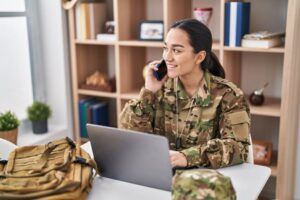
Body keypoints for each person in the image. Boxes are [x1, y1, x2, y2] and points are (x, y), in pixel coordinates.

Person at [120, 19, 250, 169]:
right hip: (158, 173)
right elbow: (130, 138)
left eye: (176, 50)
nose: (167, 57)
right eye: (165, 48)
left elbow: (239, 148)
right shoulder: (159, 87)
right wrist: (148, 92)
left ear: (199, 57)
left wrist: (187, 157)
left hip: (203, 181)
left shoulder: (229, 95)